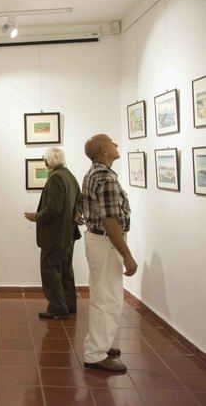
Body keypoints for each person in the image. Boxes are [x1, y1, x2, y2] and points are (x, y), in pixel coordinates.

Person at [80, 134, 137, 373]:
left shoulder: (94, 172)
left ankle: (98, 344)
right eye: (113, 142)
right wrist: (128, 256)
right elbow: (110, 221)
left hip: (99, 241)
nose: (116, 145)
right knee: (108, 299)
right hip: (106, 242)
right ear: (104, 150)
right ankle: (95, 354)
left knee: (103, 296)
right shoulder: (104, 176)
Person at [24, 147, 81, 319]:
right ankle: (69, 304)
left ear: (47, 162)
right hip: (68, 233)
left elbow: (53, 208)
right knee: (65, 270)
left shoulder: (56, 177)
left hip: (55, 235)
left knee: (50, 269)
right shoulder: (69, 175)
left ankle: (57, 308)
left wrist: (36, 217)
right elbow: (78, 199)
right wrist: (76, 214)